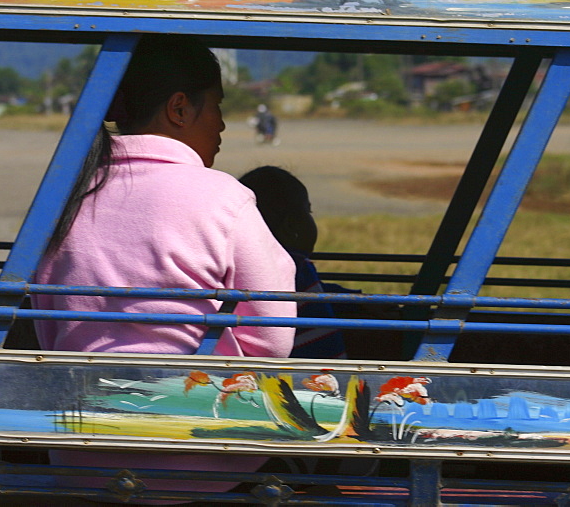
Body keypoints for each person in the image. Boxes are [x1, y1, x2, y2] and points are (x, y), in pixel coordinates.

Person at [33, 35, 296, 502]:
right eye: (216, 106)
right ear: (179, 108)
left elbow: (49, 323)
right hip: (204, 461)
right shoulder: (223, 198)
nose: (222, 125)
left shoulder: (66, 198)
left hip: (80, 460)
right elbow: (273, 341)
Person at [238, 166, 355, 359]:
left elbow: (317, 293)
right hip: (313, 378)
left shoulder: (248, 269)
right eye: (308, 211)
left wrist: (351, 297)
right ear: (291, 226)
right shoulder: (296, 266)